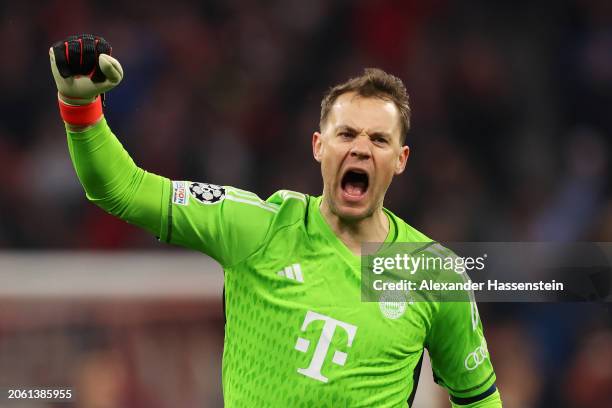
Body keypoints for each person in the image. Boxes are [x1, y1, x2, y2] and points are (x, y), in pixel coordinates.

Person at [49, 34, 502, 407]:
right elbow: (122, 188)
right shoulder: (257, 228)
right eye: (345, 134)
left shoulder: (430, 272)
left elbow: (479, 398)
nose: (360, 148)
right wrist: (79, 106)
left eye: (379, 139)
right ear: (318, 146)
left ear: (400, 159)